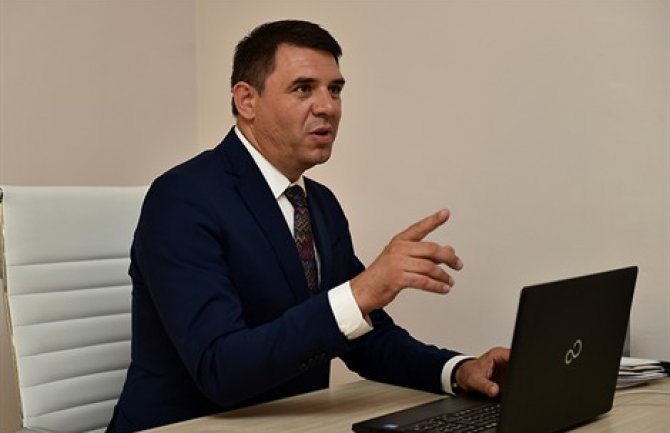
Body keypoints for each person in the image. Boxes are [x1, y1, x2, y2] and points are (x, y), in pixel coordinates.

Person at [106, 20, 509, 433]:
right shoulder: (182, 198)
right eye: (303, 89)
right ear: (247, 100)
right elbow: (219, 368)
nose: (328, 107)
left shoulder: (320, 204)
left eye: (335, 90)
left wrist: (458, 371)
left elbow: (366, 339)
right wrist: (361, 291)